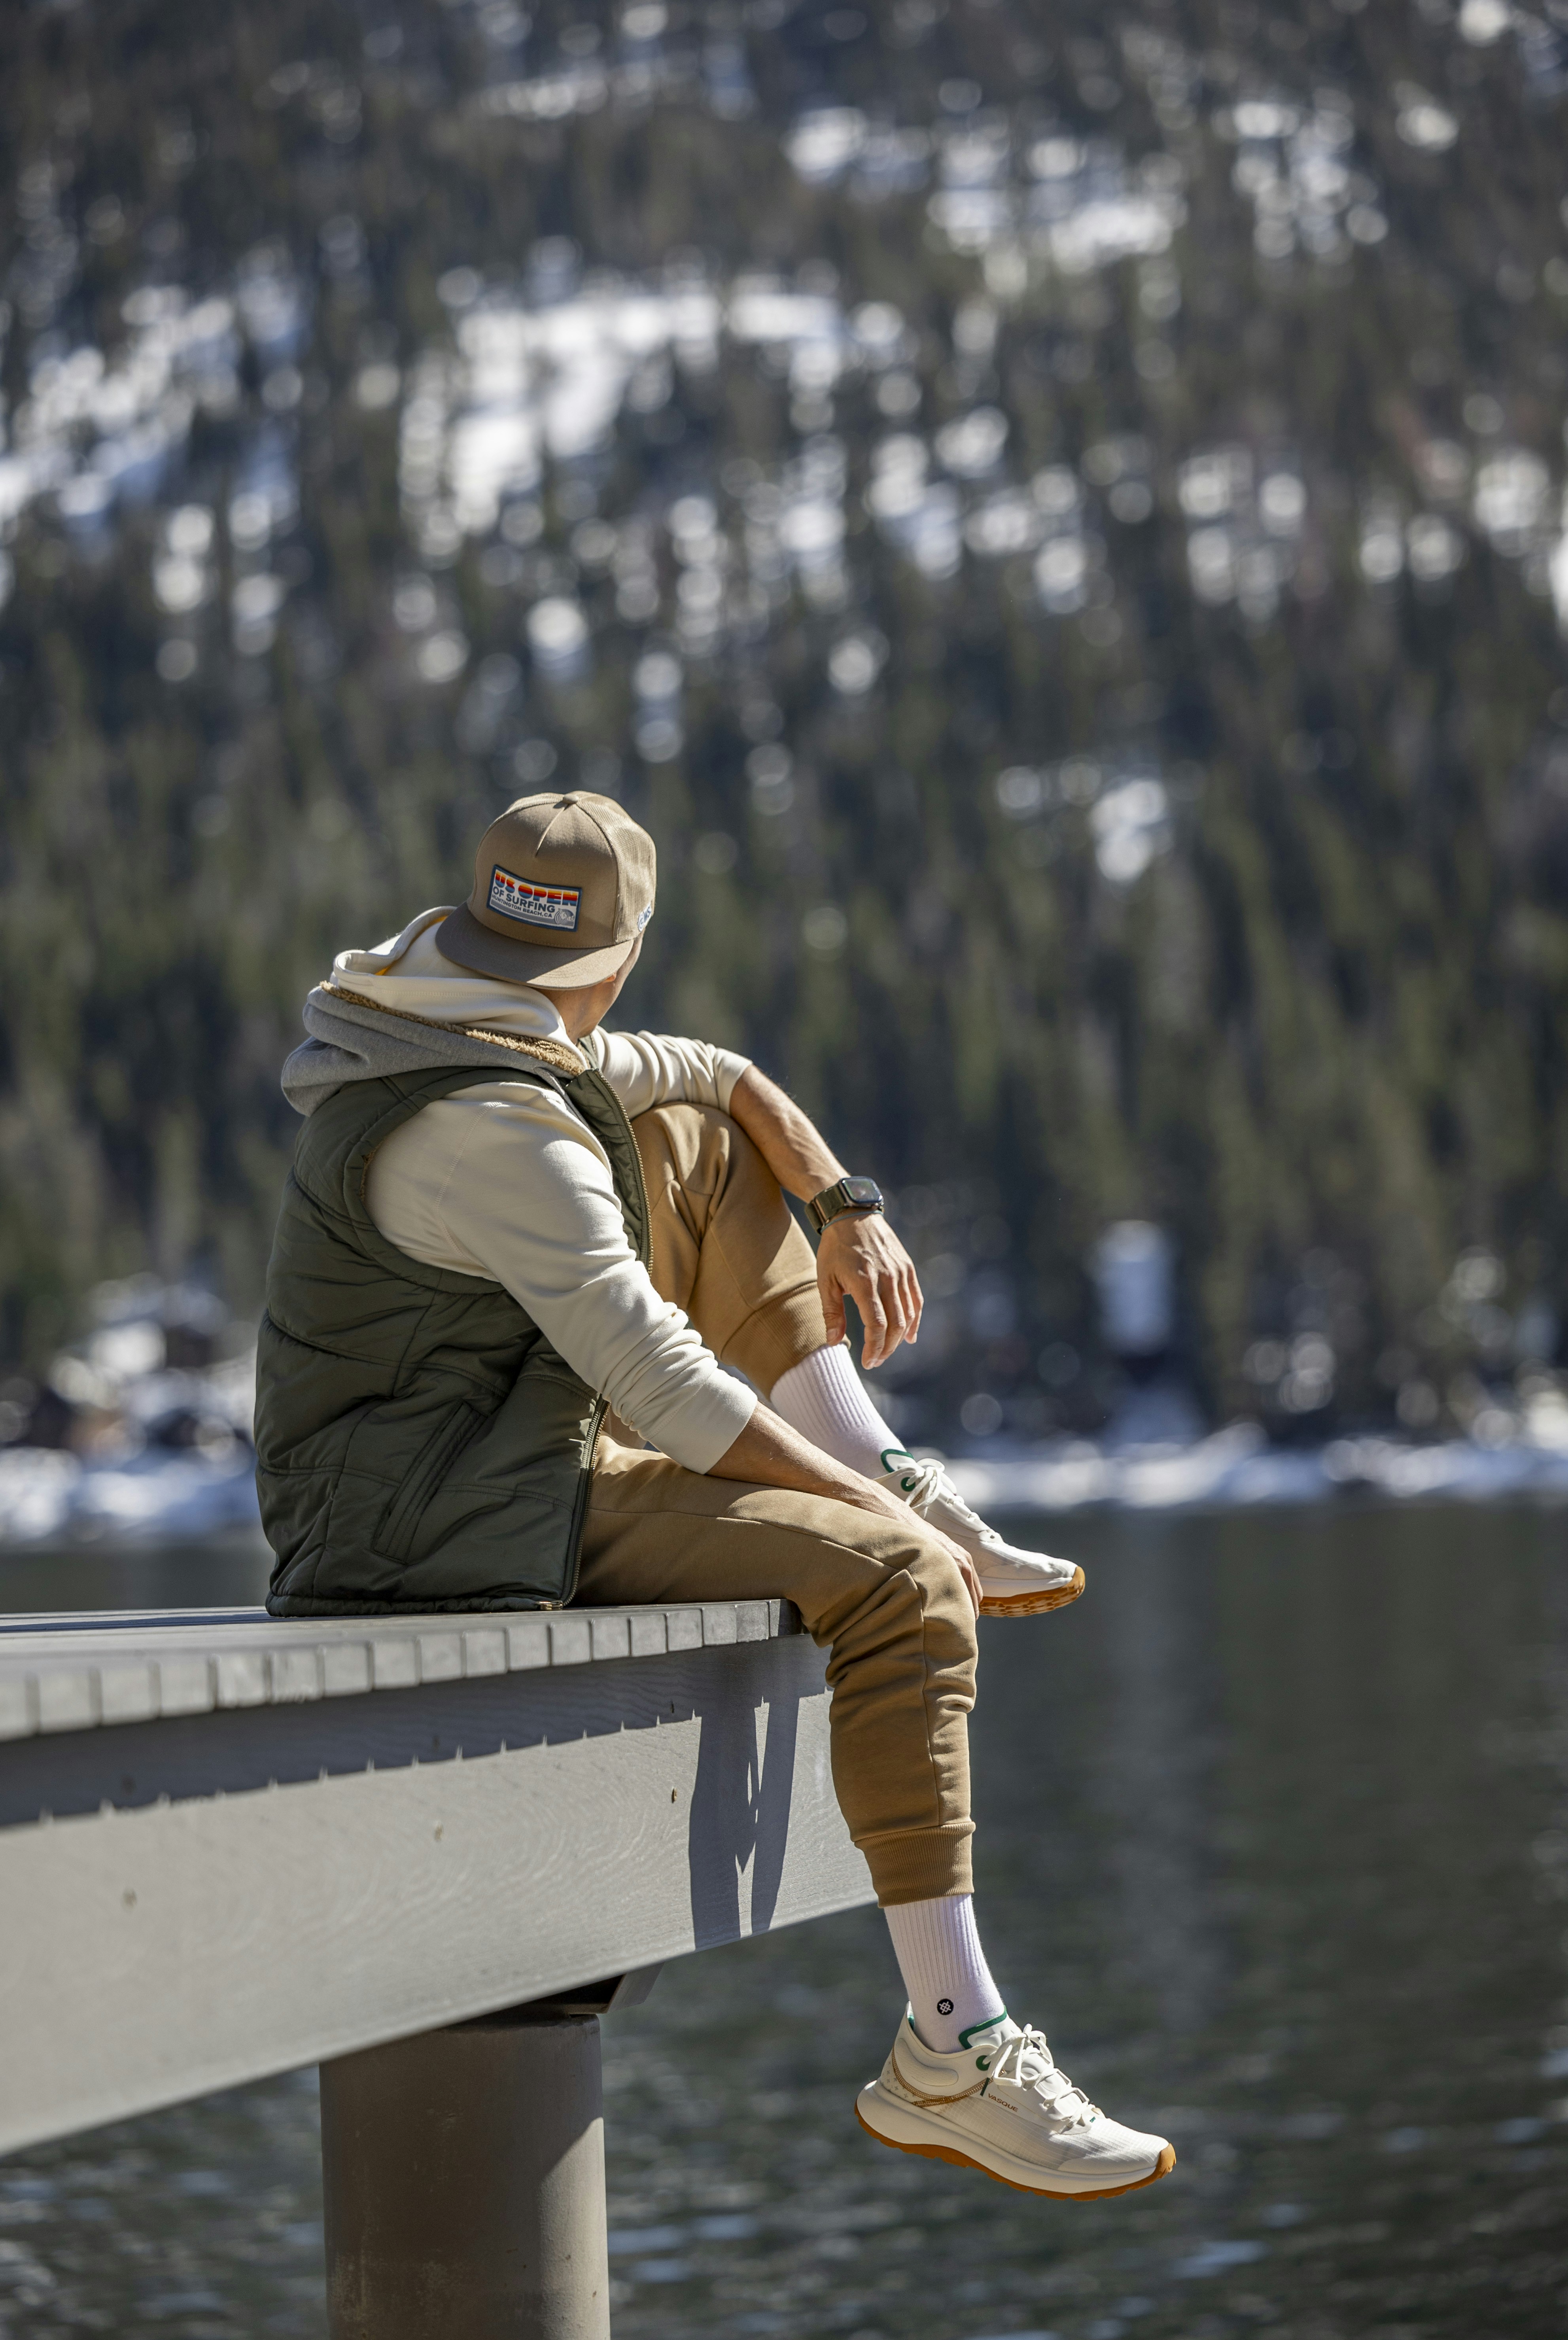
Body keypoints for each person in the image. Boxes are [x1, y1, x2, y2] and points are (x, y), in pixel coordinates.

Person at [255, 790, 1175, 2202]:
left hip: (478, 1471)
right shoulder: (497, 1120)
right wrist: (894, 1537)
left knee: (697, 1131)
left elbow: (724, 1073)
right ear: (623, 952)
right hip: (430, 1528)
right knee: (906, 1586)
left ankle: (894, 1464)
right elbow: (671, 1386)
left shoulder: (456, 1010)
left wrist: (842, 1195)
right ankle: (954, 2052)